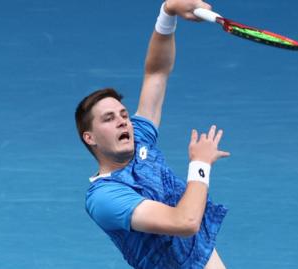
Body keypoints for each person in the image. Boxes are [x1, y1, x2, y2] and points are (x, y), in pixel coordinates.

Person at [74, 0, 230, 268]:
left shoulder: (140, 138)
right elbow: (185, 222)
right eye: (109, 119)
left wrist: (167, 11)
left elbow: (156, 73)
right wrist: (200, 165)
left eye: (124, 114)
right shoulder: (105, 197)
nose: (124, 122)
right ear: (90, 138)